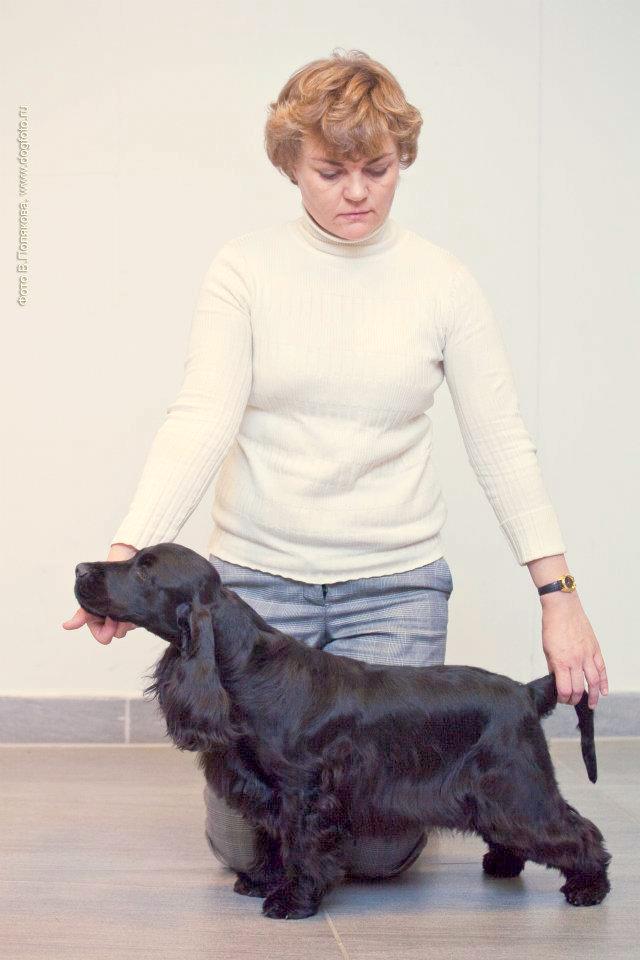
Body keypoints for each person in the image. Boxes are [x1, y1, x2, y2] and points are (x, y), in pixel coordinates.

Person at [63, 49, 608, 881]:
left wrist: (558, 594)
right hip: (258, 590)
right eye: (331, 171)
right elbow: (200, 420)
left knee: (375, 846)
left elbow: (501, 441)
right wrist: (126, 557)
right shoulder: (245, 271)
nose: (357, 192)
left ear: (402, 160)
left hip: (392, 589)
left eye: (377, 169)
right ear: (291, 165)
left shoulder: (442, 283)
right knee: (254, 844)